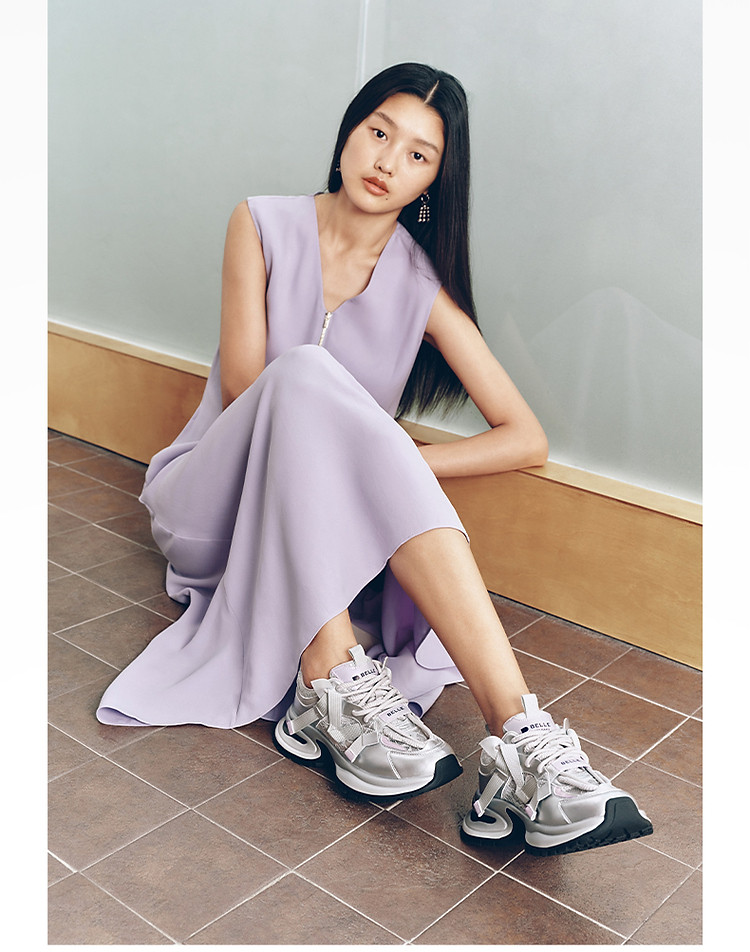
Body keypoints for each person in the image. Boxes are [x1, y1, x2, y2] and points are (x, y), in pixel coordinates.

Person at [97, 63, 652, 856]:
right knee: (302, 375)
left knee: (362, 432)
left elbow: (525, 437)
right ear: (348, 134)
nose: (389, 161)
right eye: (379, 132)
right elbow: (252, 398)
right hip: (211, 499)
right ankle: (328, 673)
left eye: (418, 155)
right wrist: (377, 453)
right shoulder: (260, 223)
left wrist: (396, 463)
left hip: (320, 535)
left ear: (432, 184)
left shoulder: (421, 286)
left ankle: (521, 740)